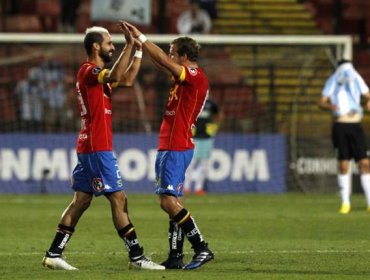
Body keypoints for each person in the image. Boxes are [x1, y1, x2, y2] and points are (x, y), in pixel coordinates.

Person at [42, 23, 165, 271]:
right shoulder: (89, 71)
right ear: (96, 46)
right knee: (119, 198)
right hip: (97, 148)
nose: (113, 46)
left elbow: (127, 79)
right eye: (109, 43)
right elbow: (116, 75)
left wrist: (137, 50)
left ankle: (53, 254)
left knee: (82, 200)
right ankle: (137, 257)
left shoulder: (96, 77)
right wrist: (130, 45)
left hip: (90, 146)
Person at [123, 21, 214, 270]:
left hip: (177, 143)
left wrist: (140, 37)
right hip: (172, 143)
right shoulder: (183, 75)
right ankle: (175, 255)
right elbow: (161, 60)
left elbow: (163, 60)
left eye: (173, 52)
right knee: (172, 200)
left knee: (167, 201)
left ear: (184, 57)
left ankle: (201, 247)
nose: (169, 55)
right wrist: (142, 48)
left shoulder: (194, 76)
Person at [318, 59, 370, 214]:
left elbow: (368, 94)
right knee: (344, 164)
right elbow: (321, 102)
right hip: (340, 125)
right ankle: (345, 203)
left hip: (356, 125)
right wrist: (330, 106)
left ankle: (369, 202)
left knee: (365, 163)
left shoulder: (356, 78)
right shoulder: (332, 80)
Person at [184, 97, 223, 195]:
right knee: (191, 163)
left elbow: (219, 115)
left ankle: (198, 188)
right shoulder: (193, 102)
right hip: (195, 137)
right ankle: (186, 187)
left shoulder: (211, 104)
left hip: (207, 138)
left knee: (204, 164)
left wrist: (216, 126)